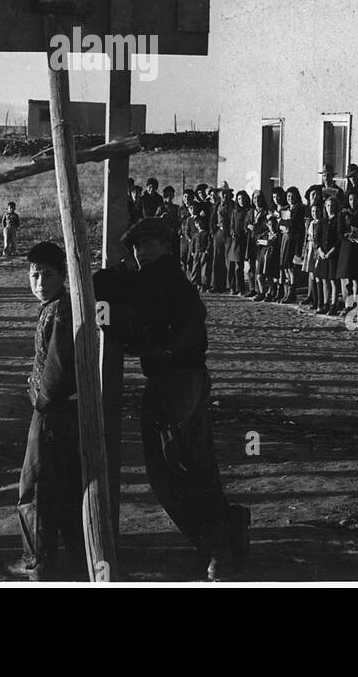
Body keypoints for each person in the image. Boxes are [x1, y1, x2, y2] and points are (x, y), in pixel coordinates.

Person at [119, 218, 249, 581]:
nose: (142, 253)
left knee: (170, 471)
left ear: (165, 246)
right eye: (137, 247)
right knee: (195, 465)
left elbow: (156, 325)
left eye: (150, 245)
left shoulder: (160, 279)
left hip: (173, 383)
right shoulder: (169, 278)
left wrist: (149, 346)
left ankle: (219, 546)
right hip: (189, 379)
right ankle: (225, 536)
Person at [11, 241, 84, 581]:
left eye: (48, 275)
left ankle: (38, 563)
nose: (40, 283)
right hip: (60, 408)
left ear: (63, 275)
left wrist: (41, 401)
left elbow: (55, 364)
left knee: (35, 485)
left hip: (52, 410)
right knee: (63, 486)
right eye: (35, 275)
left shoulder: (62, 309)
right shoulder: (55, 305)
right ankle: (64, 561)